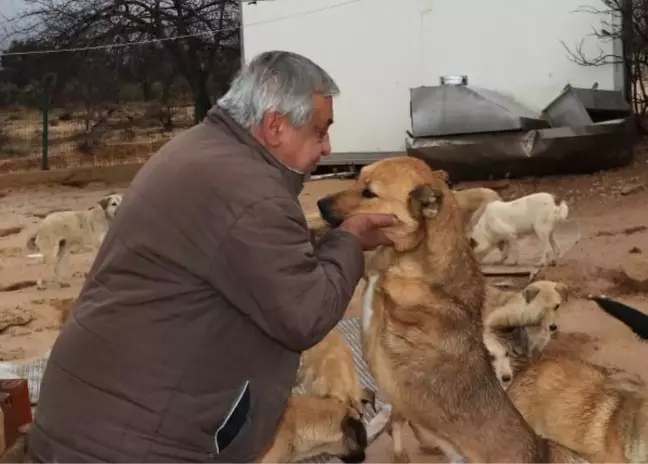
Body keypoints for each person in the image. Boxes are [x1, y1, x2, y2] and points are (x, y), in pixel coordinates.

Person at [28, 50, 396, 464]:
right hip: (135, 445)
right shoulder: (252, 195)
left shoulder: (199, 151)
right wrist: (348, 239)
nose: (328, 146)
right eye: (319, 131)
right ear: (275, 126)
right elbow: (306, 315)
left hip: (87, 422)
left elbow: (259, 261)